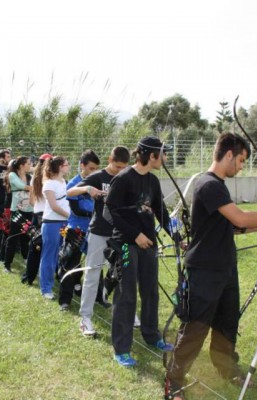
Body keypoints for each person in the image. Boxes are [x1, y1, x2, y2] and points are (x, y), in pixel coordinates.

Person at [164, 133, 257, 399]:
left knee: (226, 323)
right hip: (205, 270)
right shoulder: (209, 185)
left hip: (224, 267)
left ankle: (227, 369)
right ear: (228, 155)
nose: (241, 166)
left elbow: (229, 226)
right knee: (196, 327)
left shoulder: (217, 185)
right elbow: (239, 217)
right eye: (241, 160)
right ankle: (173, 381)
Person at [105, 136, 176, 367]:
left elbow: (161, 212)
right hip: (125, 244)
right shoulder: (123, 179)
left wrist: (178, 238)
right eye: (163, 154)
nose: (165, 158)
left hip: (148, 245)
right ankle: (121, 348)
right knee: (126, 295)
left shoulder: (153, 182)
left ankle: (151, 335)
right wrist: (135, 234)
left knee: (150, 291)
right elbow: (111, 212)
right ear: (151, 155)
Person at [66, 146, 130, 336]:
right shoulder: (98, 177)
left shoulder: (126, 177)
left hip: (120, 234)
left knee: (123, 274)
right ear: (110, 159)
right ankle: (85, 318)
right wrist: (87, 188)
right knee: (93, 275)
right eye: (117, 166)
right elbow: (69, 192)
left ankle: (127, 312)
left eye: (123, 167)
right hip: (99, 232)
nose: (120, 171)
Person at [58, 149, 100, 311]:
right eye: (91, 168)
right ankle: (65, 301)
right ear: (82, 165)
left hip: (94, 230)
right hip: (76, 230)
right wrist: (96, 213)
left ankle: (98, 297)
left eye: (96, 168)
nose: (94, 172)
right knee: (70, 264)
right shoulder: (74, 184)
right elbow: (75, 210)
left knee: (95, 264)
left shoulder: (97, 182)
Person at [39, 156, 71, 300]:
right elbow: (54, 206)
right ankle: (46, 287)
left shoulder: (64, 182)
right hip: (52, 224)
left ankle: (56, 280)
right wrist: (69, 216)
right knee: (49, 256)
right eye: (66, 164)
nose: (68, 166)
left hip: (63, 224)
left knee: (60, 253)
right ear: (59, 167)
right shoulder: (49, 184)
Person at [21, 153, 52, 286]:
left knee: (35, 248)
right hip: (47, 216)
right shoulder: (50, 178)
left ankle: (29, 276)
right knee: (47, 248)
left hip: (37, 214)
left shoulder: (34, 177)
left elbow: (31, 201)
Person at [3, 156, 33, 273]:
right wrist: (35, 188)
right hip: (17, 210)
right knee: (13, 237)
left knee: (26, 237)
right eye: (29, 164)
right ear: (22, 165)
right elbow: (21, 186)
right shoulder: (12, 175)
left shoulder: (30, 177)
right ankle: (7, 264)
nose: (30, 166)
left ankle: (26, 259)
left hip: (29, 210)